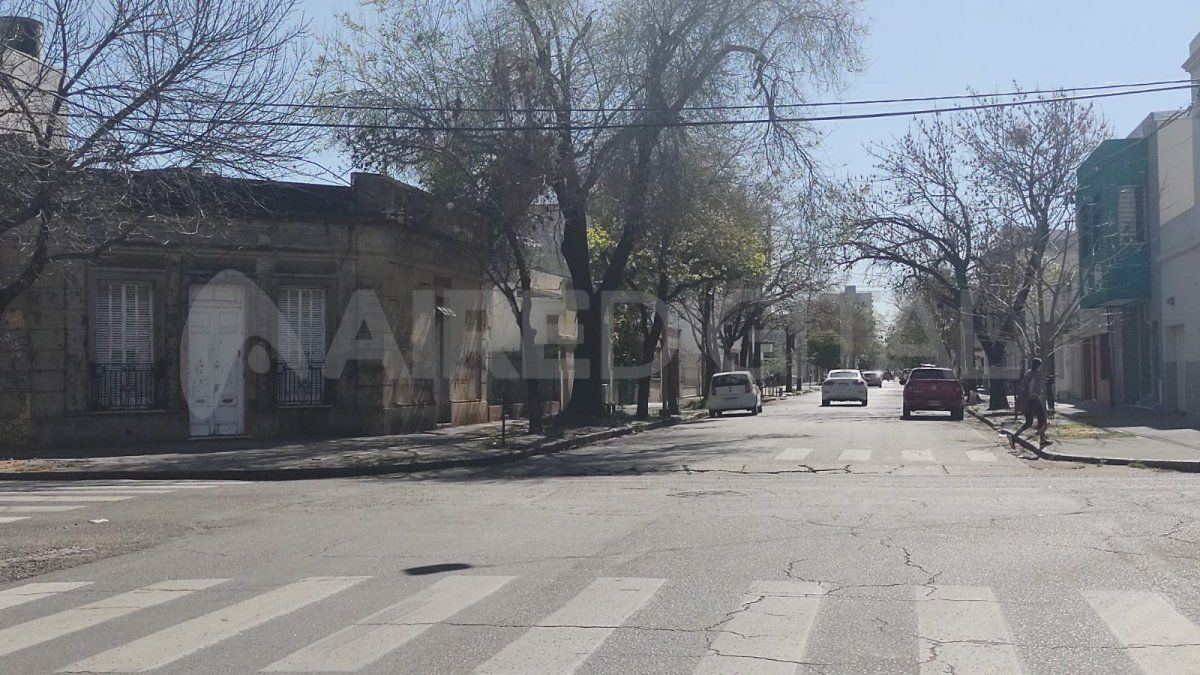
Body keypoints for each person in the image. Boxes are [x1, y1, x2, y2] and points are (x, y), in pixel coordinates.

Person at [1011, 358, 1049, 449]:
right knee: (1043, 420)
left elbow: (1023, 386)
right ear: (1038, 366)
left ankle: (1014, 436)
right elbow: (1032, 388)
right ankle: (1042, 440)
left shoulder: (1028, 373)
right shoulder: (1035, 375)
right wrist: (1038, 393)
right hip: (1033, 400)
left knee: (1029, 422)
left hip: (1026, 401)